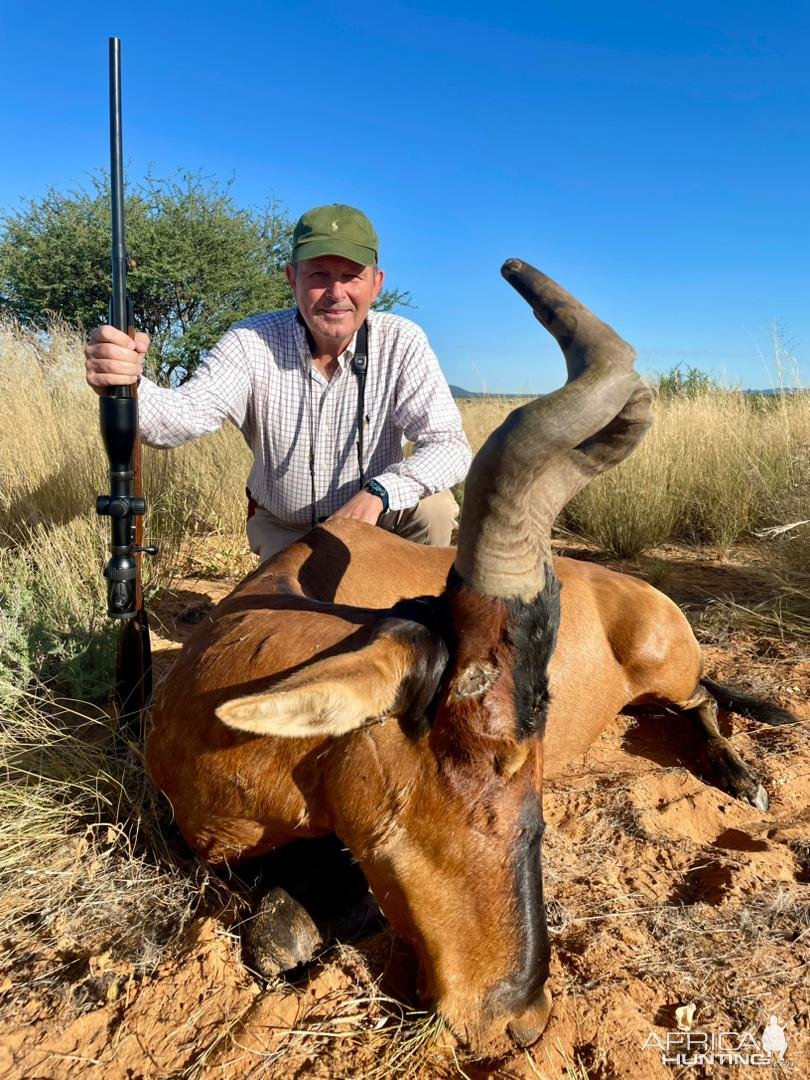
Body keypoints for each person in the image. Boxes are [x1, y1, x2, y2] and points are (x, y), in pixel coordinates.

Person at [85, 203, 471, 561]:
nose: (336, 294)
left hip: (377, 519)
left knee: (436, 510)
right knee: (297, 623)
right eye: (319, 274)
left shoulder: (403, 341)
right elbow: (182, 419)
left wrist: (378, 494)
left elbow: (450, 446)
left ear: (376, 283)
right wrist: (126, 381)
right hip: (288, 527)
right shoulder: (249, 341)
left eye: (351, 276)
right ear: (292, 278)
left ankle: (412, 605)